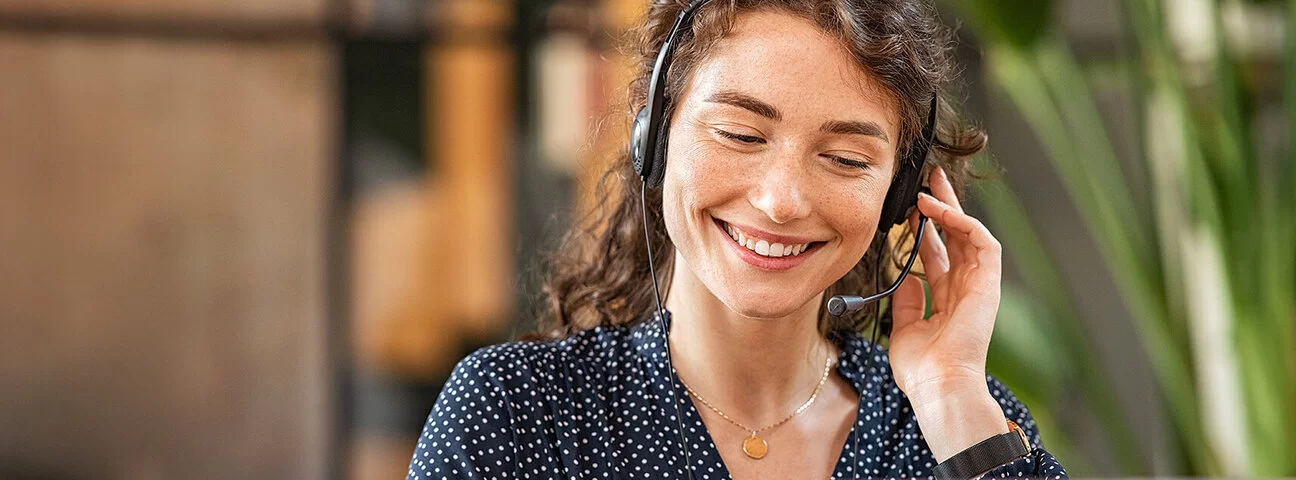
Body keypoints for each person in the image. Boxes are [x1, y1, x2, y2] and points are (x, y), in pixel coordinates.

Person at [408, 0, 1068, 478]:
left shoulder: (960, 428)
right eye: (741, 134)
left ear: (899, 194)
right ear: (655, 140)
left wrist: (952, 395)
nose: (780, 200)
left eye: (845, 158)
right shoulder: (520, 413)